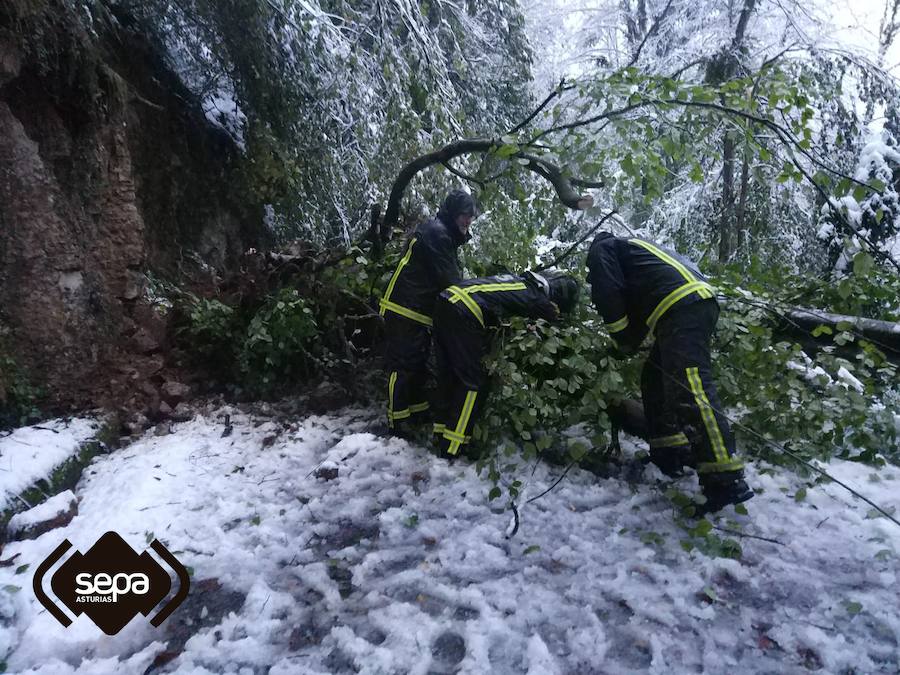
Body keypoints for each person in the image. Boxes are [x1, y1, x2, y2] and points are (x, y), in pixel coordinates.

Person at [585, 232, 753, 513]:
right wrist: (626, 342)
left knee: (691, 387)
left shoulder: (602, 248)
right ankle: (669, 451)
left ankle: (725, 479)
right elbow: (636, 308)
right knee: (655, 379)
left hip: (681, 305)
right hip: (689, 302)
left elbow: (608, 292)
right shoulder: (635, 253)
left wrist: (620, 337)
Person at [431, 270, 580, 458]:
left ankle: (440, 434)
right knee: (474, 383)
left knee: (449, 375)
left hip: (447, 299)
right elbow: (547, 327)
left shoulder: (522, 283)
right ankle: (453, 446)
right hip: (465, 310)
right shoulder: (540, 299)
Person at [379, 189, 477, 438]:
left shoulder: (441, 232)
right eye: (465, 215)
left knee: (418, 365)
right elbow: (450, 280)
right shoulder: (437, 234)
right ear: (454, 213)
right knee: (403, 365)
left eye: (471, 216)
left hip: (415, 308)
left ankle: (416, 412)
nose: (468, 220)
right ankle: (397, 420)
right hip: (405, 307)